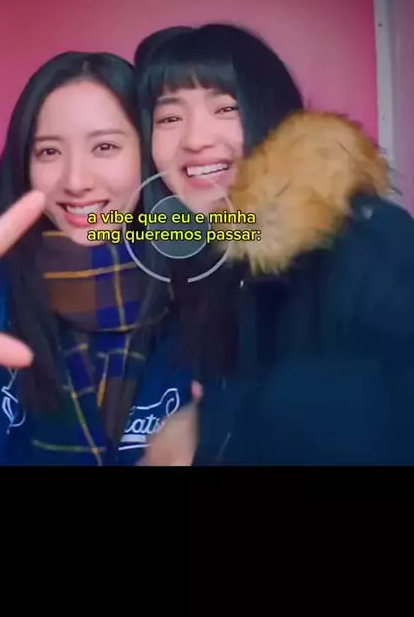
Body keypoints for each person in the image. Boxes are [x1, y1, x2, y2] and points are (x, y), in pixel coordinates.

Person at [133, 23, 414, 465]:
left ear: (270, 113)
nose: (195, 140)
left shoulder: (364, 237)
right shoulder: (202, 266)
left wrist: (213, 427)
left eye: (225, 108)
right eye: (169, 118)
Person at [0, 51, 194, 465]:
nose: (75, 181)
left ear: (147, 155)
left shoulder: (198, 285)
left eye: (105, 146)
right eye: (49, 152)